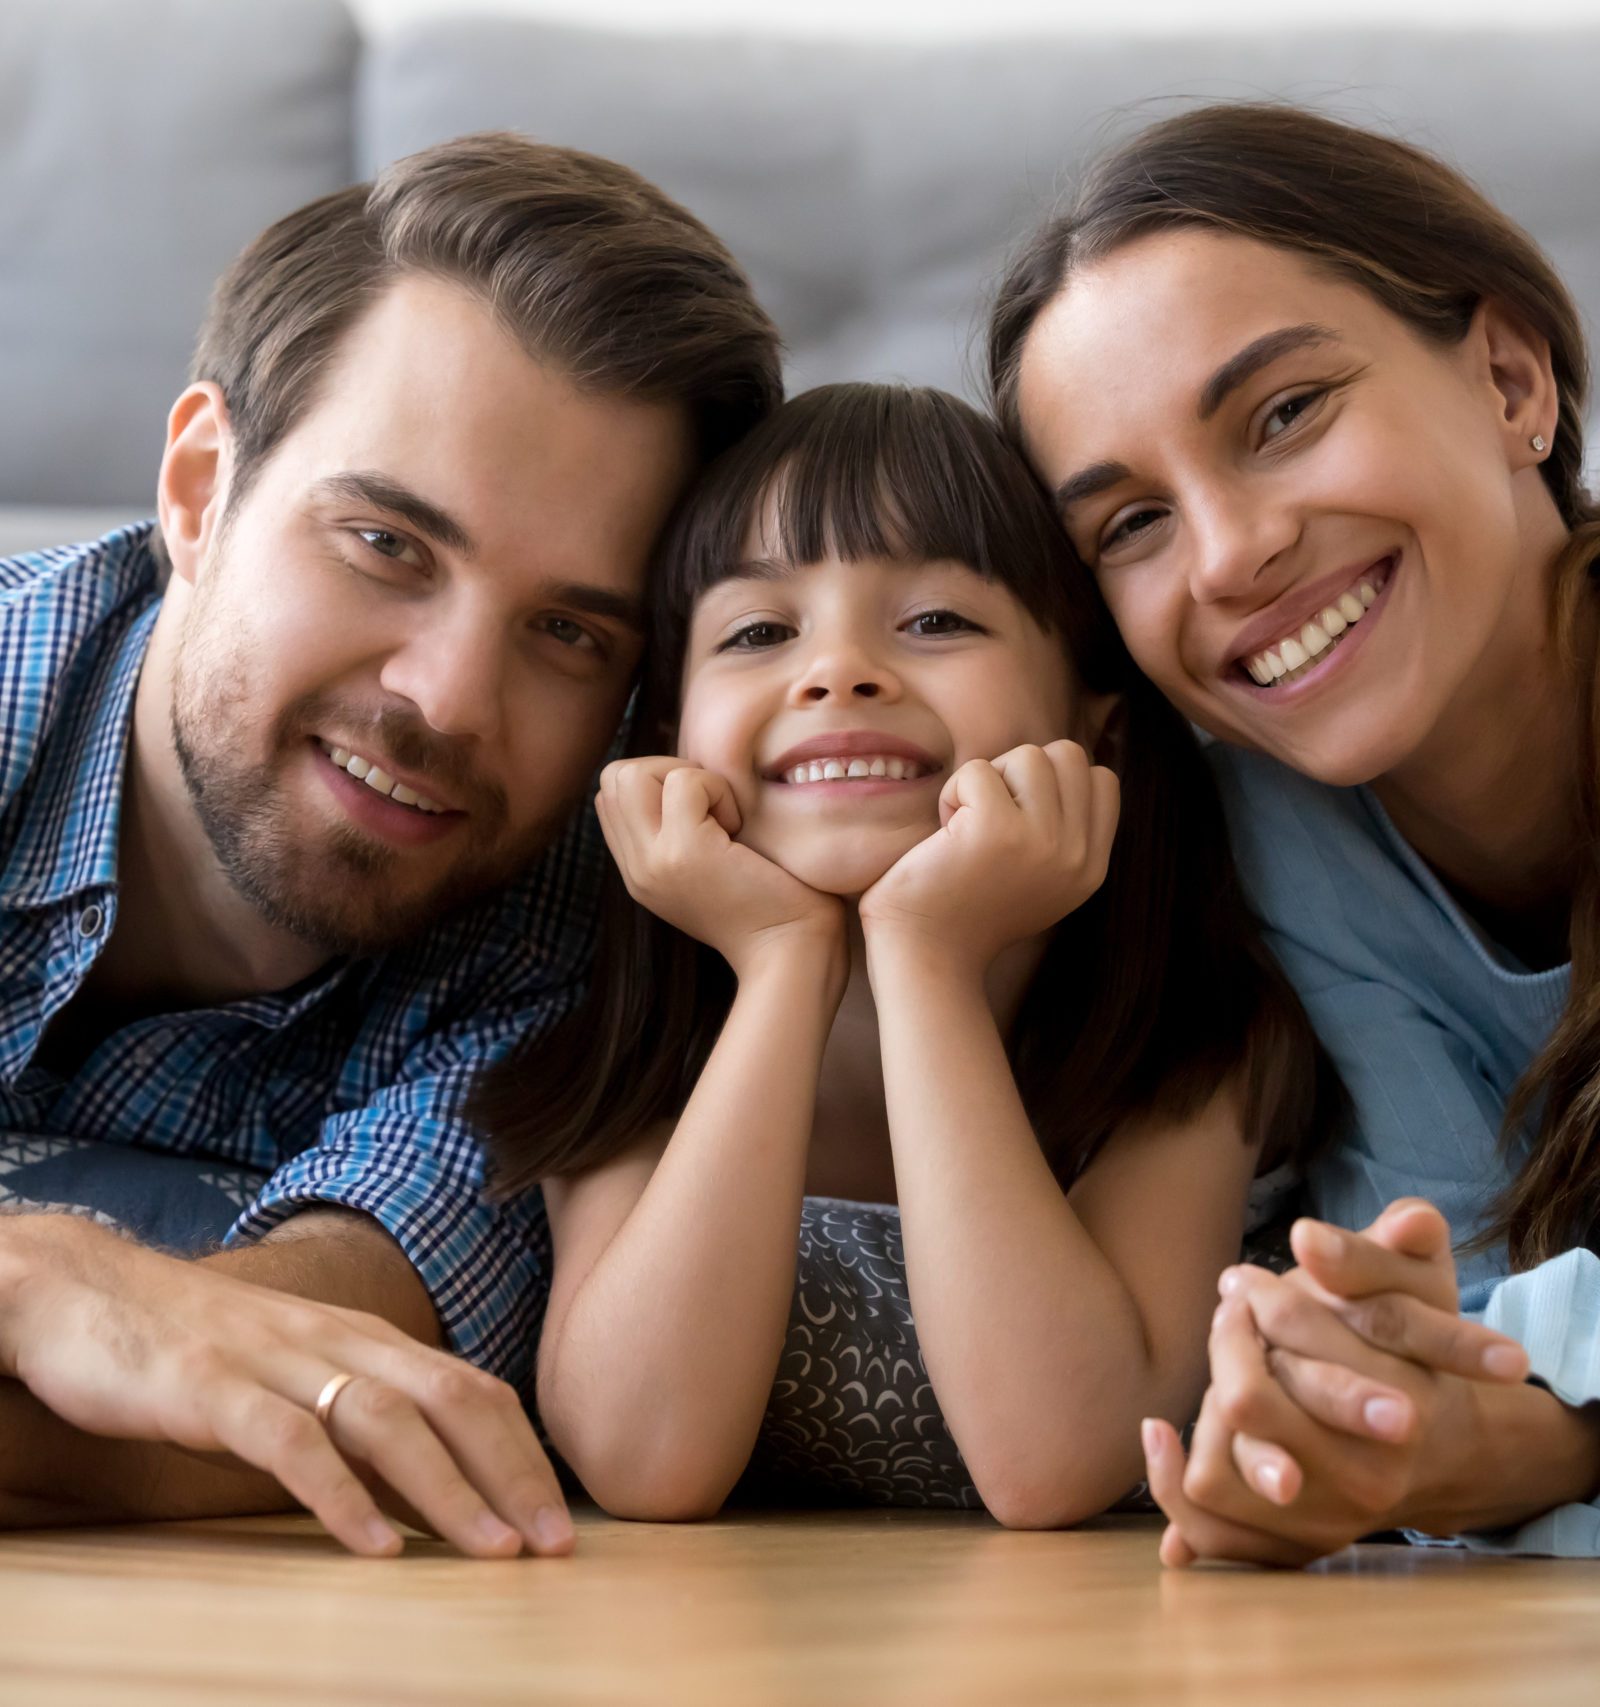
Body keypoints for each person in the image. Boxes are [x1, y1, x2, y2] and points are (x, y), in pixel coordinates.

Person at [0, 131, 781, 1555]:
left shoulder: (599, 933)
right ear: (196, 487)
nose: (448, 701)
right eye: (385, 545)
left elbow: (333, 1381)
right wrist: (33, 1275)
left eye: (567, 632)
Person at [471, 382, 1339, 1524]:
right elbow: (645, 1459)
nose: (837, 673)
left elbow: (1057, 1459)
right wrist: (783, 962)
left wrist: (924, 960)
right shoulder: (637, 1050)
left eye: (936, 621)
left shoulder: (1192, 1048)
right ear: (667, 737)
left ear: (1095, 726)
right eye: (759, 632)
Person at [989, 101, 1600, 1560]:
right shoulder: (1279, 835)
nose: (1230, 551)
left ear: (1513, 381)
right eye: (1130, 525)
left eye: (1283, 413)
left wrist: (1484, 1442)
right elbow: (1470, 1296)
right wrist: (1366, 1417)